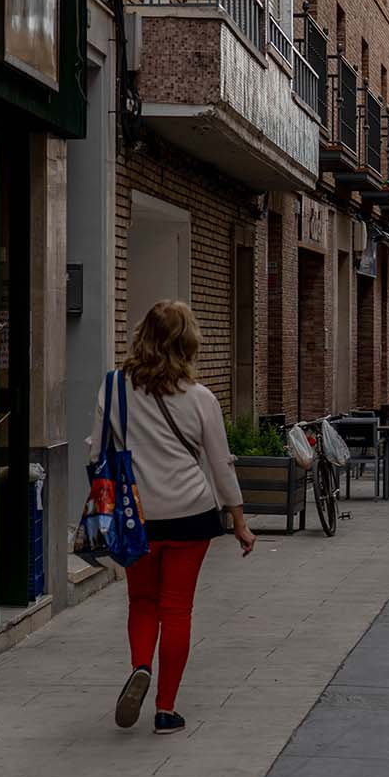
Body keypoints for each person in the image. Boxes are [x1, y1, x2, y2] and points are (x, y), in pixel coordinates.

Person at [98, 301, 255, 735]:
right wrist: (239, 521)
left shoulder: (113, 388)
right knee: (178, 609)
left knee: (142, 602)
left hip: (136, 518)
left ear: (141, 336)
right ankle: (166, 709)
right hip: (190, 515)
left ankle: (140, 665)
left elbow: (98, 452)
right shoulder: (200, 398)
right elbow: (221, 464)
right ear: (188, 343)